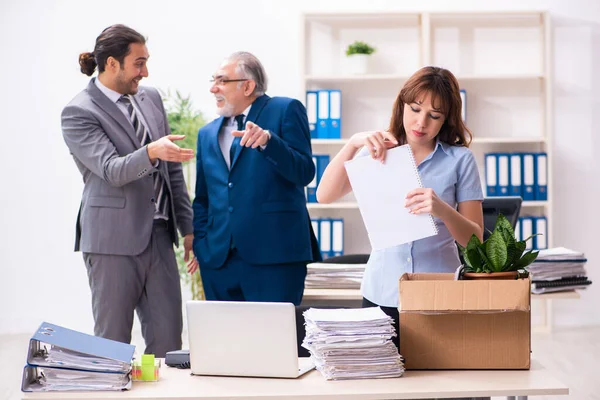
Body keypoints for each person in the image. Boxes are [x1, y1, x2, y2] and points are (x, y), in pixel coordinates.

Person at [316, 66, 484, 347]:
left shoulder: (460, 159)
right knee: (384, 383)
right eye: (415, 109)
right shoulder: (379, 149)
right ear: (402, 105)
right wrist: (353, 143)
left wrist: (442, 209)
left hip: (439, 291)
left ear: (446, 120)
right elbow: (324, 195)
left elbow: (476, 241)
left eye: (434, 116)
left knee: (440, 384)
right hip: (381, 291)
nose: (421, 123)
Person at [61, 24, 198, 357]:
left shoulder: (149, 97)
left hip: (160, 235)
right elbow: (111, 170)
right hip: (112, 242)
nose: (145, 72)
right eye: (138, 63)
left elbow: (172, 169)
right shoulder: (79, 112)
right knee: (112, 344)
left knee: (169, 344)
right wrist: (152, 151)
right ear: (112, 63)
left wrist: (188, 228)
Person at [192, 51, 319, 305]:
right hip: (218, 261)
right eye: (212, 80)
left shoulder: (285, 109)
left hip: (274, 258)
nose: (213, 88)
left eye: (221, 81)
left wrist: (270, 143)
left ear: (247, 86)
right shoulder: (207, 134)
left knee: (274, 342)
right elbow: (203, 198)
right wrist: (201, 243)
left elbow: (305, 172)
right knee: (224, 343)